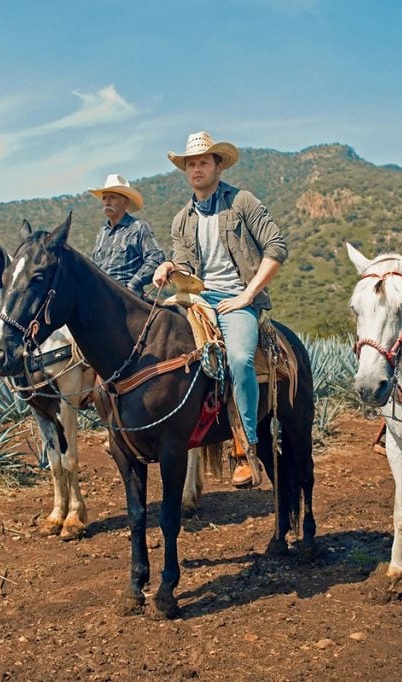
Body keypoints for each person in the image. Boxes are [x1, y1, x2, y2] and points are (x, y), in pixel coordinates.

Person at [152, 131, 288, 487]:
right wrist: (169, 268)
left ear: (218, 165)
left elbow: (277, 248)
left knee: (240, 358)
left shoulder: (242, 202)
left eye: (202, 162)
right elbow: (186, 266)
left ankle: (246, 448)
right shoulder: (182, 219)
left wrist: (248, 296)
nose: (196, 169)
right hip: (197, 298)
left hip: (234, 299)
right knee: (157, 341)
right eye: (190, 164)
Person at [89, 174, 165, 298]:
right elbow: (94, 264)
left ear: (125, 202)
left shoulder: (138, 227)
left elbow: (156, 257)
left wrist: (133, 285)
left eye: (112, 197)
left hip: (126, 300)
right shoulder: (102, 232)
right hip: (100, 297)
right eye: (104, 198)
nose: (107, 202)